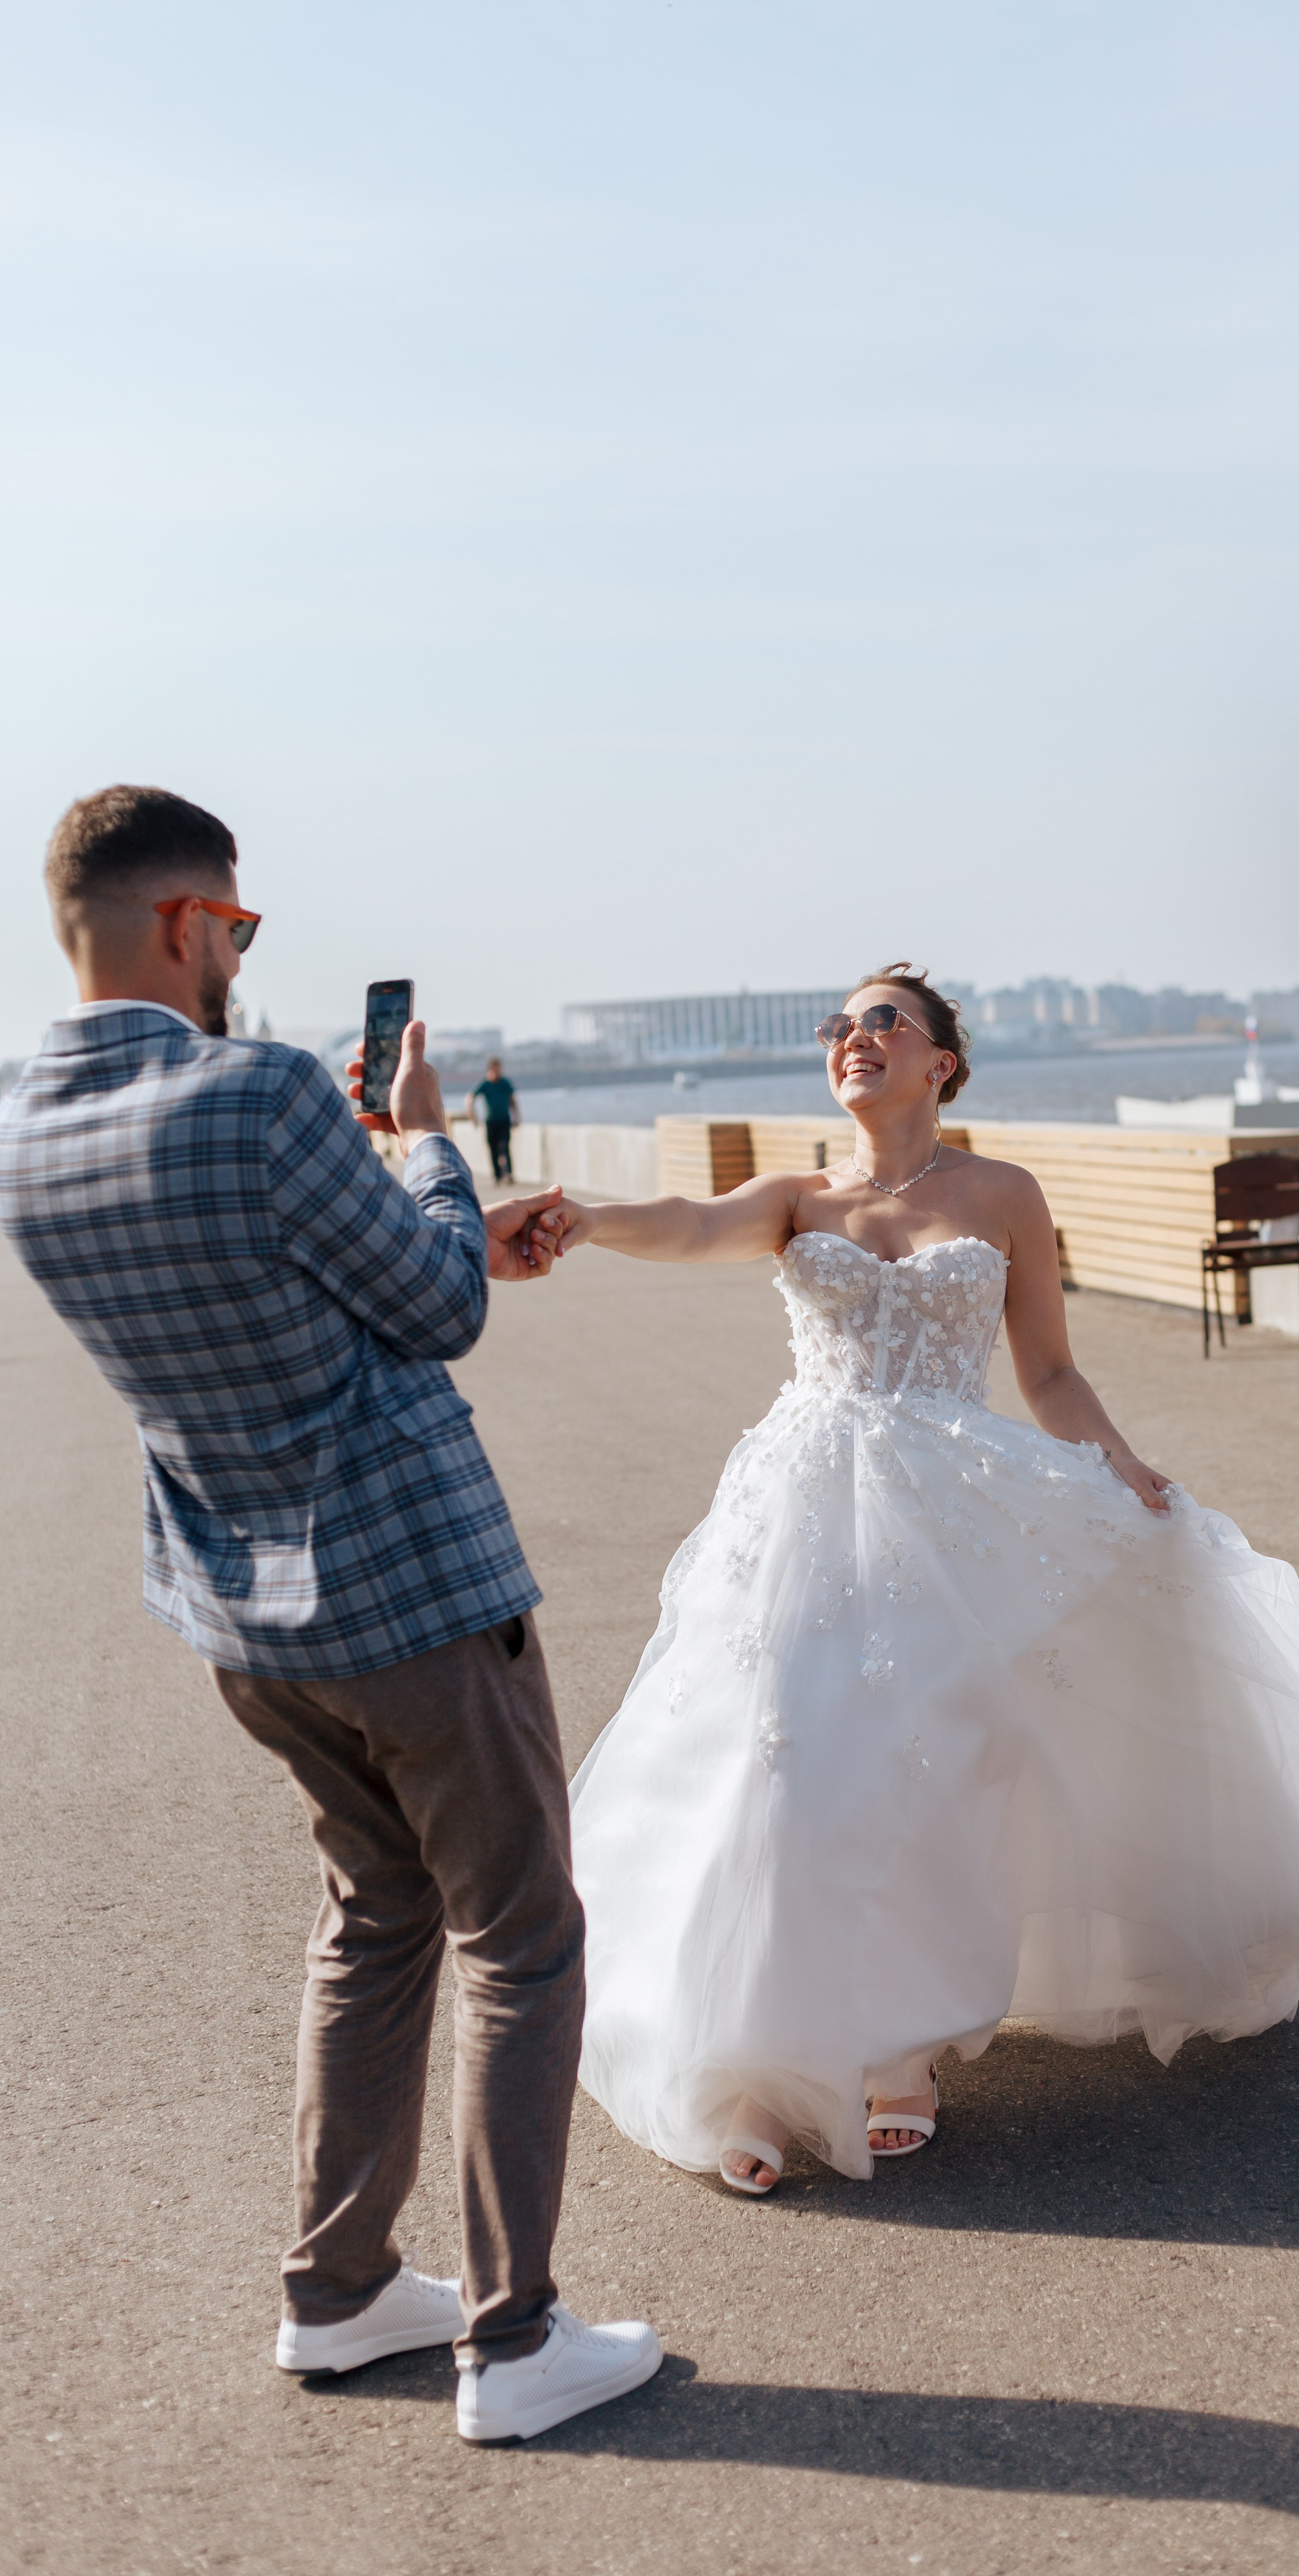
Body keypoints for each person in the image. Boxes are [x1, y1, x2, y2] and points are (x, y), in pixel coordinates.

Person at [0, 786, 661, 2442]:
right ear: (180, 923)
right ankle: (513, 2341)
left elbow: (268, 1298)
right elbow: (435, 1306)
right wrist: (431, 1144)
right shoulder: (267, 1091)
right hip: (413, 1590)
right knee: (521, 1933)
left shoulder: (22, 1126)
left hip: (245, 1613)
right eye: (238, 926)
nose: (239, 955)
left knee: (373, 1917)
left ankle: (342, 2287)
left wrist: (417, 1226)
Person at [559, 965, 1299, 2193]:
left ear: (942, 1061)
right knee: (779, 1757)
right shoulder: (798, 1198)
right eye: (841, 1025)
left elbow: (1049, 1373)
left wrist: (1121, 1468)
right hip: (805, 1506)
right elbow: (690, 1222)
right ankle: (747, 2059)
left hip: (954, 1506)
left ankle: (901, 2041)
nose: (854, 1038)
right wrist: (581, 1216)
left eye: (883, 1021)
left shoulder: (1003, 1195)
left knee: (938, 1757)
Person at [466, 1057, 519, 1182]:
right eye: (495, 1069)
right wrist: (473, 1116)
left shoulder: (505, 1083)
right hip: (491, 1121)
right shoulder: (485, 1083)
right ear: (490, 1069)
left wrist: (516, 1117)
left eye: (499, 1069)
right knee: (493, 1148)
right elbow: (470, 1098)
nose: (497, 1071)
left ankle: (508, 1174)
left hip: (504, 1120)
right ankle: (497, 1175)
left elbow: (513, 1101)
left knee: (504, 1146)